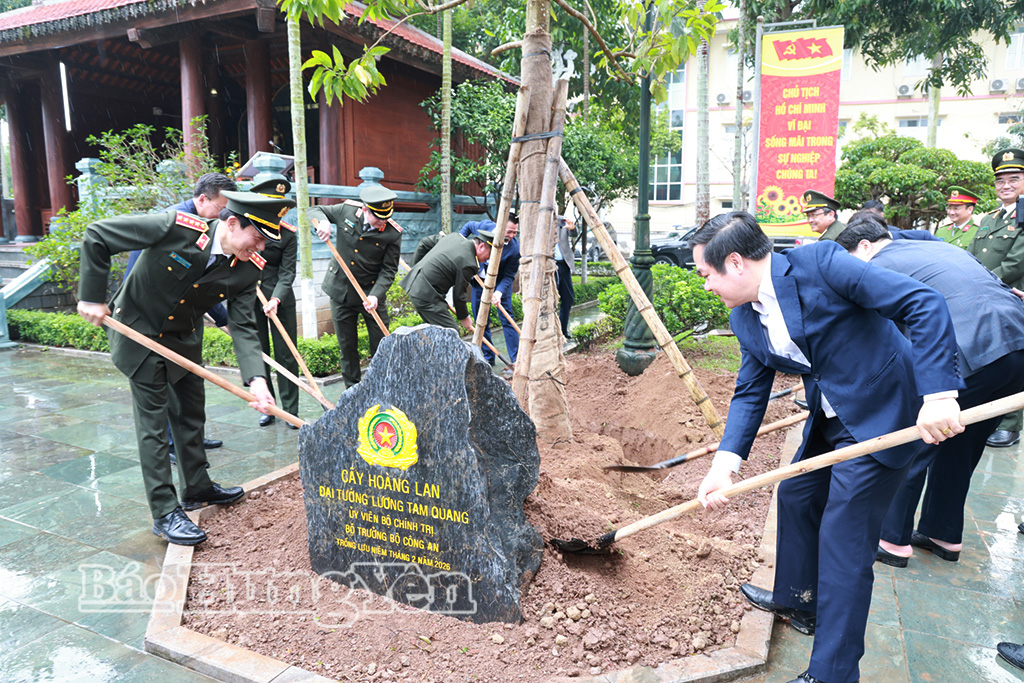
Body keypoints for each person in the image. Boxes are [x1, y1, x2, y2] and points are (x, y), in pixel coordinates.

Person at [693, 212, 964, 683]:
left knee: (844, 543)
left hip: (886, 412)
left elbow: (922, 302)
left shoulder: (822, 264)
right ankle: (801, 600)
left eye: (705, 274)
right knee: (797, 495)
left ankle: (833, 673)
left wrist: (938, 394)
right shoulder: (745, 316)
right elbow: (750, 392)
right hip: (834, 415)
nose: (705, 285)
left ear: (735, 263)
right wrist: (724, 465)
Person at [77, 190, 294, 546]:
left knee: (191, 414)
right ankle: (164, 512)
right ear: (232, 223)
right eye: (257, 238)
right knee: (154, 426)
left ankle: (197, 487)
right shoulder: (177, 228)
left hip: (184, 340)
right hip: (140, 334)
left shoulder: (247, 268)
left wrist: (257, 380)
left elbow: (243, 325)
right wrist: (91, 296)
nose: (261, 248)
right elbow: (98, 234)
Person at [835, 214, 1024, 567]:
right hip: (1016, 345)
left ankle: (891, 539)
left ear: (864, 246)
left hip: (969, 351)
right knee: (962, 444)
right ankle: (943, 533)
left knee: (915, 439)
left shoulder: (878, 266)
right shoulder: (934, 249)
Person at [126, 173, 237, 459]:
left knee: (188, 379)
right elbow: (145, 276)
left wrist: (223, 319)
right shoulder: (172, 222)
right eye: (220, 209)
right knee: (161, 382)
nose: (223, 217)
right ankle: (170, 446)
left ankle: (191, 438)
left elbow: (199, 283)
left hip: (180, 315)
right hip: (151, 315)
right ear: (202, 199)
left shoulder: (206, 226)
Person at [310, 185, 402, 388]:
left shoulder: (393, 233)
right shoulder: (347, 211)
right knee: (347, 346)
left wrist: (375, 295)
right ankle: (352, 391)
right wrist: (323, 222)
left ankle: (380, 389)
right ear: (365, 209)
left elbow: (388, 270)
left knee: (381, 344)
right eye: (379, 218)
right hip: (341, 293)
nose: (383, 222)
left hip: (370, 295)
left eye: (387, 218)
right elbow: (315, 209)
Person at [966, 148, 1024, 447]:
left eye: (1014, 179)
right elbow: (973, 255)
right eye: (1000, 180)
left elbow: (1016, 263)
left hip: (1011, 298)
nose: (1005, 185)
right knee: (987, 356)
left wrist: (982, 284)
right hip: (983, 298)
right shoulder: (989, 218)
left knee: (1012, 358)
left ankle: (1010, 424)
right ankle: (987, 416)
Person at [250, 174, 299, 428]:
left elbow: (287, 271)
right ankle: (267, 407)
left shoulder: (287, 234)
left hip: (281, 299)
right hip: (250, 296)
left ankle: (290, 410)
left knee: (286, 354)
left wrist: (276, 298)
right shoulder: (248, 225)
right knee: (259, 353)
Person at [400, 230, 493, 332]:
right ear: (481, 247)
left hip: (418, 286)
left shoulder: (454, 237)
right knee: (451, 332)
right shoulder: (469, 262)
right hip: (426, 295)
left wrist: (415, 267)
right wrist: (464, 317)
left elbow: (425, 242)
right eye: (489, 255)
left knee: (438, 333)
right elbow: (459, 295)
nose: (487, 260)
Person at [459, 214, 521, 364]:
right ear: (500, 226)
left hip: (499, 285)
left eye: (515, 232)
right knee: (480, 320)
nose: (512, 235)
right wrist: (460, 242)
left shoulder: (514, 249)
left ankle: (516, 360)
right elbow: (468, 226)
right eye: (509, 231)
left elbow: (509, 275)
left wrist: (498, 293)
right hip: (479, 281)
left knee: (507, 319)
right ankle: (488, 358)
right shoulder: (485, 227)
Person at [554, 214, 577, 337]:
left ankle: (563, 330)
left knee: (568, 297)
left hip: (564, 265)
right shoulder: (540, 222)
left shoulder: (560, 221)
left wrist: (572, 228)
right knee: (551, 299)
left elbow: (574, 234)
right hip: (549, 266)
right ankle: (551, 330)